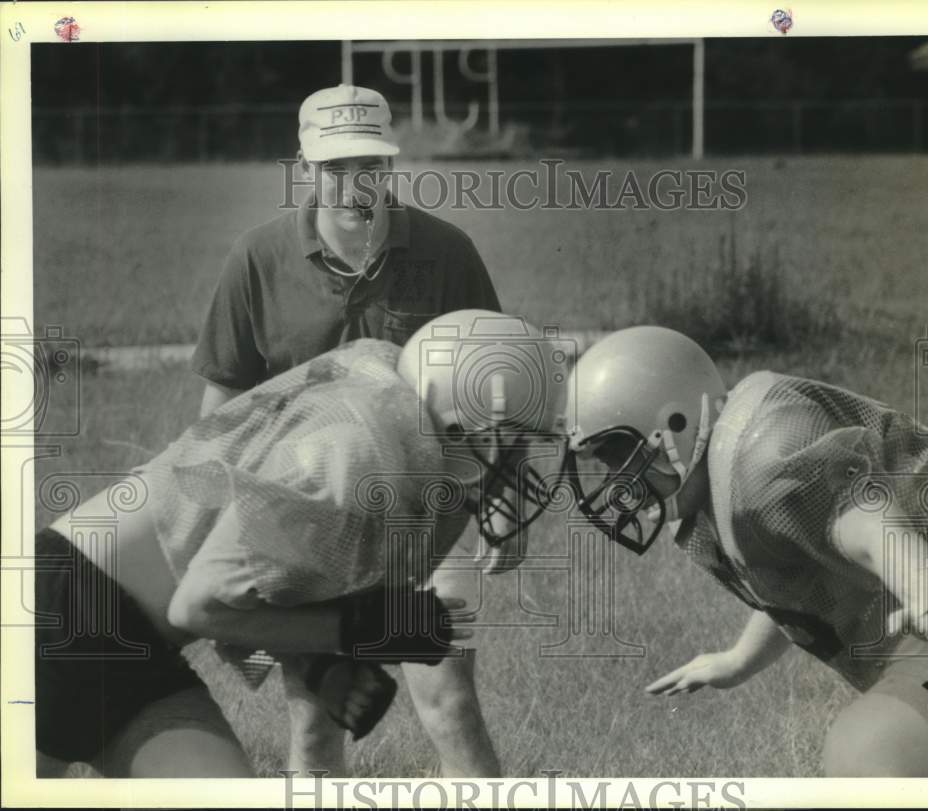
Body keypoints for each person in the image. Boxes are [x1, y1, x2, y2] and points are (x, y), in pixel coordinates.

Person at [35, 313, 566, 777]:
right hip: (61, 613)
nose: (521, 468)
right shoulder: (360, 453)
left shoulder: (393, 415)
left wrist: (322, 666)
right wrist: (361, 629)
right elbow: (199, 602)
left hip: (139, 650)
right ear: (456, 424)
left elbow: (259, 591)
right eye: (514, 446)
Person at [191, 83, 507, 777]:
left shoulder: (448, 252)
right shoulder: (257, 258)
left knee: (449, 701)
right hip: (308, 518)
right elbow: (220, 411)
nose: (352, 181)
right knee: (312, 718)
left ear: (389, 166)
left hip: (431, 512)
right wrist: (226, 524)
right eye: (334, 166)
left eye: (367, 164)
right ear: (304, 166)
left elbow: (497, 395)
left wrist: (501, 513)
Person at [559, 326, 928, 777]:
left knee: (871, 749)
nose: (618, 482)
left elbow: (877, 529)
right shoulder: (723, 491)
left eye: (620, 457)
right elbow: (796, 582)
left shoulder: (767, 460)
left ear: (674, 425)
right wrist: (739, 659)